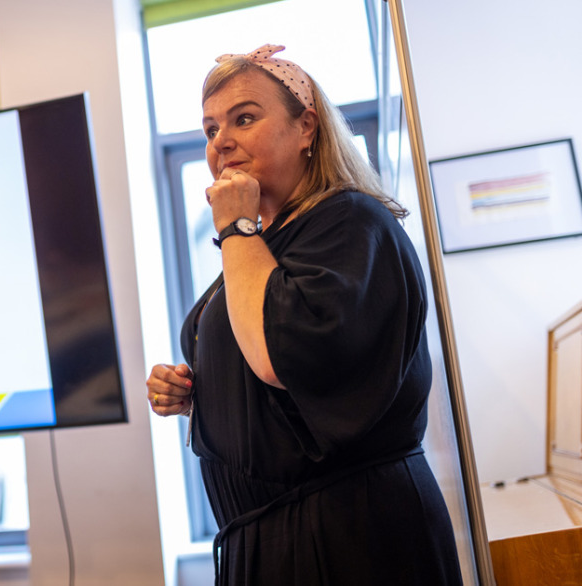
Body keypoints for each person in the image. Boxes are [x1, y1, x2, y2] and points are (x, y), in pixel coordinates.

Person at [145, 44, 463, 585]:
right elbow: (270, 373)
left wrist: (237, 228)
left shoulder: (351, 221)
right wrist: (197, 391)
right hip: (273, 537)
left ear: (307, 128)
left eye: (244, 118)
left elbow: (281, 354)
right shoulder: (270, 242)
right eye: (209, 129)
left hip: (346, 535)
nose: (221, 141)